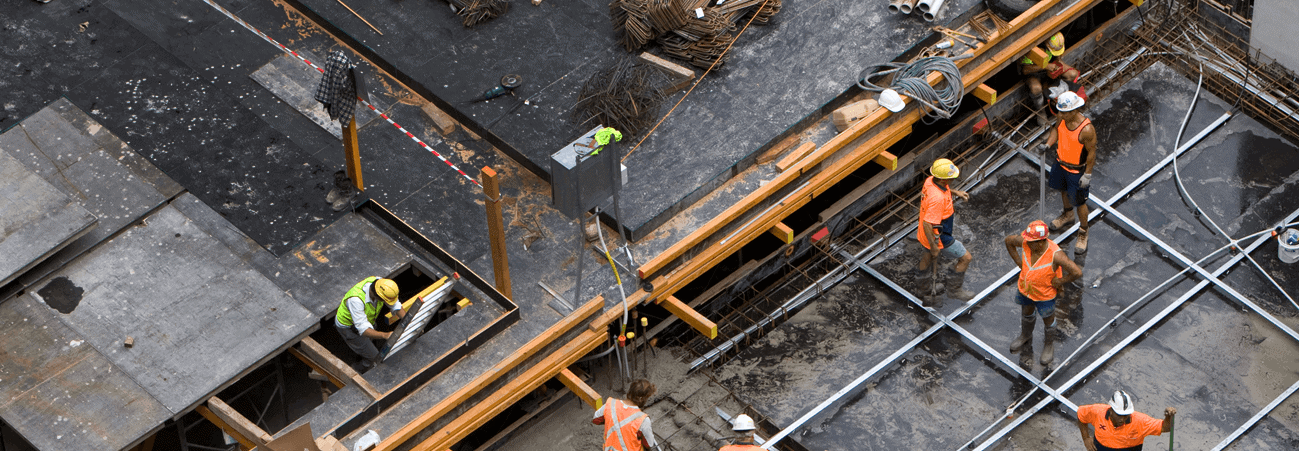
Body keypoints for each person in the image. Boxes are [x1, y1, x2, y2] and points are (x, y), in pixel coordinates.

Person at [1004, 220, 1082, 364]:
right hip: (1026, 290)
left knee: (1048, 319)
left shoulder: (1055, 255)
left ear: (1041, 242)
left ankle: (1048, 345)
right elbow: (1008, 241)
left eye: (1031, 241)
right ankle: (1025, 335)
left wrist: (1059, 282)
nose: (1027, 243)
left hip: (1044, 296)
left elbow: (1076, 272)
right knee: (1027, 312)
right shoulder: (1026, 243)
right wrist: (1020, 264)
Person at [1040, 91, 1097, 252]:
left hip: (1076, 171)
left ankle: (1083, 231)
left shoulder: (1086, 130)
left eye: (1065, 112)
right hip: (1060, 163)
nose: (1061, 115)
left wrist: (1087, 174)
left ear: (1075, 110)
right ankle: (1067, 214)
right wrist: (1048, 145)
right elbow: (1056, 131)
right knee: (1063, 190)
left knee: (1079, 202)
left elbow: (1092, 153)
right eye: (1060, 112)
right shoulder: (1062, 118)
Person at [916, 158, 976, 305]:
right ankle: (954, 290)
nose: (953, 179)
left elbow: (943, 191)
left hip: (925, 234)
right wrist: (934, 246)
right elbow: (928, 223)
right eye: (951, 177)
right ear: (943, 179)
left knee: (927, 257)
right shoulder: (937, 200)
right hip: (938, 235)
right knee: (966, 258)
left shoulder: (931, 180)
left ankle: (922, 289)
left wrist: (956, 193)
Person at [334, 277, 404, 371]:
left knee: (370, 342)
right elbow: (363, 330)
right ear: (378, 296)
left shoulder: (380, 283)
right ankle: (357, 369)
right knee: (374, 358)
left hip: (367, 320)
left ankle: (364, 352)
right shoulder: (356, 300)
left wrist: (411, 321)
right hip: (349, 328)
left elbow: (395, 305)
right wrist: (385, 335)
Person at [1019, 32, 1085, 125]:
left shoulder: (1056, 41)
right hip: (1034, 72)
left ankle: (1060, 99)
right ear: (1046, 45)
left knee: (1072, 74)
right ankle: (1041, 111)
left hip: (1049, 68)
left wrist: (1057, 63)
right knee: (1036, 88)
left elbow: (1058, 57)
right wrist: (1045, 66)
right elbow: (1025, 70)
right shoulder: (1033, 51)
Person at [1077, 390, 1176, 451]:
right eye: (1119, 415)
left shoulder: (1140, 421)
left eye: (1126, 415)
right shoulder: (1098, 412)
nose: (1122, 419)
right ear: (1111, 410)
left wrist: (1168, 417)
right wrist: (1086, 438)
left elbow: (1166, 428)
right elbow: (1081, 414)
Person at [593, 379, 660, 451]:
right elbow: (649, 444)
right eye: (646, 398)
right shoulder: (643, 420)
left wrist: (612, 419)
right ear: (641, 399)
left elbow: (596, 419)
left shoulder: (611, 404)